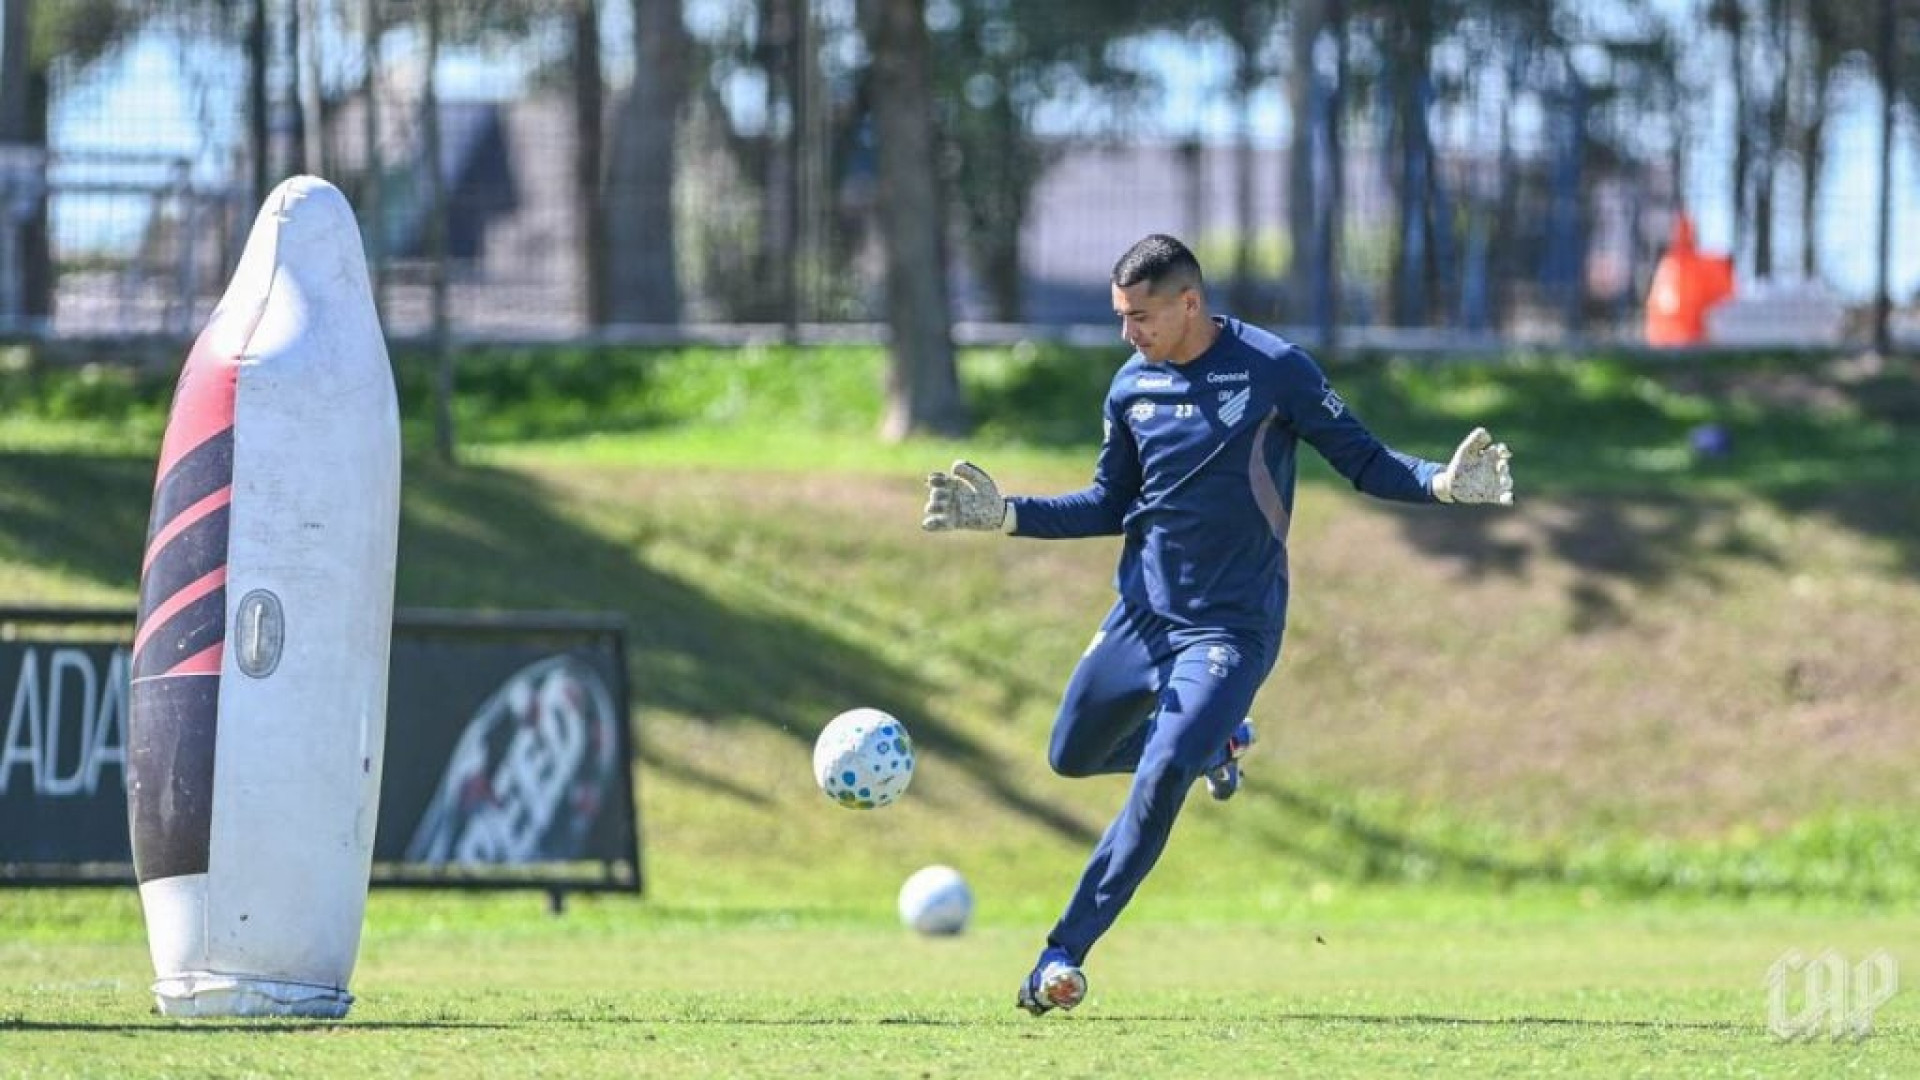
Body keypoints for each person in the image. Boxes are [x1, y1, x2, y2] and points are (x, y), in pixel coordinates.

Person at [919, 234, 1513, 1016]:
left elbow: (1364, 461)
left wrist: (1440, 484)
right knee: (1071, 753)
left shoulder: (1275, 370)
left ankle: (1061, 956)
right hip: (1141, 616)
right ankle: (1217, 748)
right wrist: (1004, 516)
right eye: (1120, 318)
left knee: (1160, 773)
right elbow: (1108, 502)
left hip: (1230, 632)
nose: (1127, 334)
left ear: (1189, 302)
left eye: (1140, 317)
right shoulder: (1130, 387)